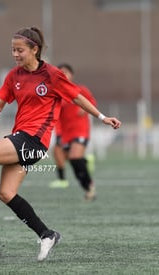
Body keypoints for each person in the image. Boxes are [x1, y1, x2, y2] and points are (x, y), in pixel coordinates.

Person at [0, 27, 121, 261]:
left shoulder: (52, 75)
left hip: (34, 140)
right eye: (13, 50)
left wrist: (102, 117)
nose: (15, 54)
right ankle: (46, 234)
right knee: (6, 194)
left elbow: (77, 96)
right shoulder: (14, 76)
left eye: (20, 50)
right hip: (22, 139)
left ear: (34, 50)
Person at [49, 63, 97, 201]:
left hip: (80, 131)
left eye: (65, 72)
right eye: (60, 72)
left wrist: (86, 107)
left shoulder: (81, 90)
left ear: (72, 74)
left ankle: (89, 185)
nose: (63, 75)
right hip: (66, 134)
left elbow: (92, 101)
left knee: (75, 157)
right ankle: (83, 180)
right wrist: (58, 134)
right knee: (59, 153)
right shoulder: (57, 94)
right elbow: (56, 117)